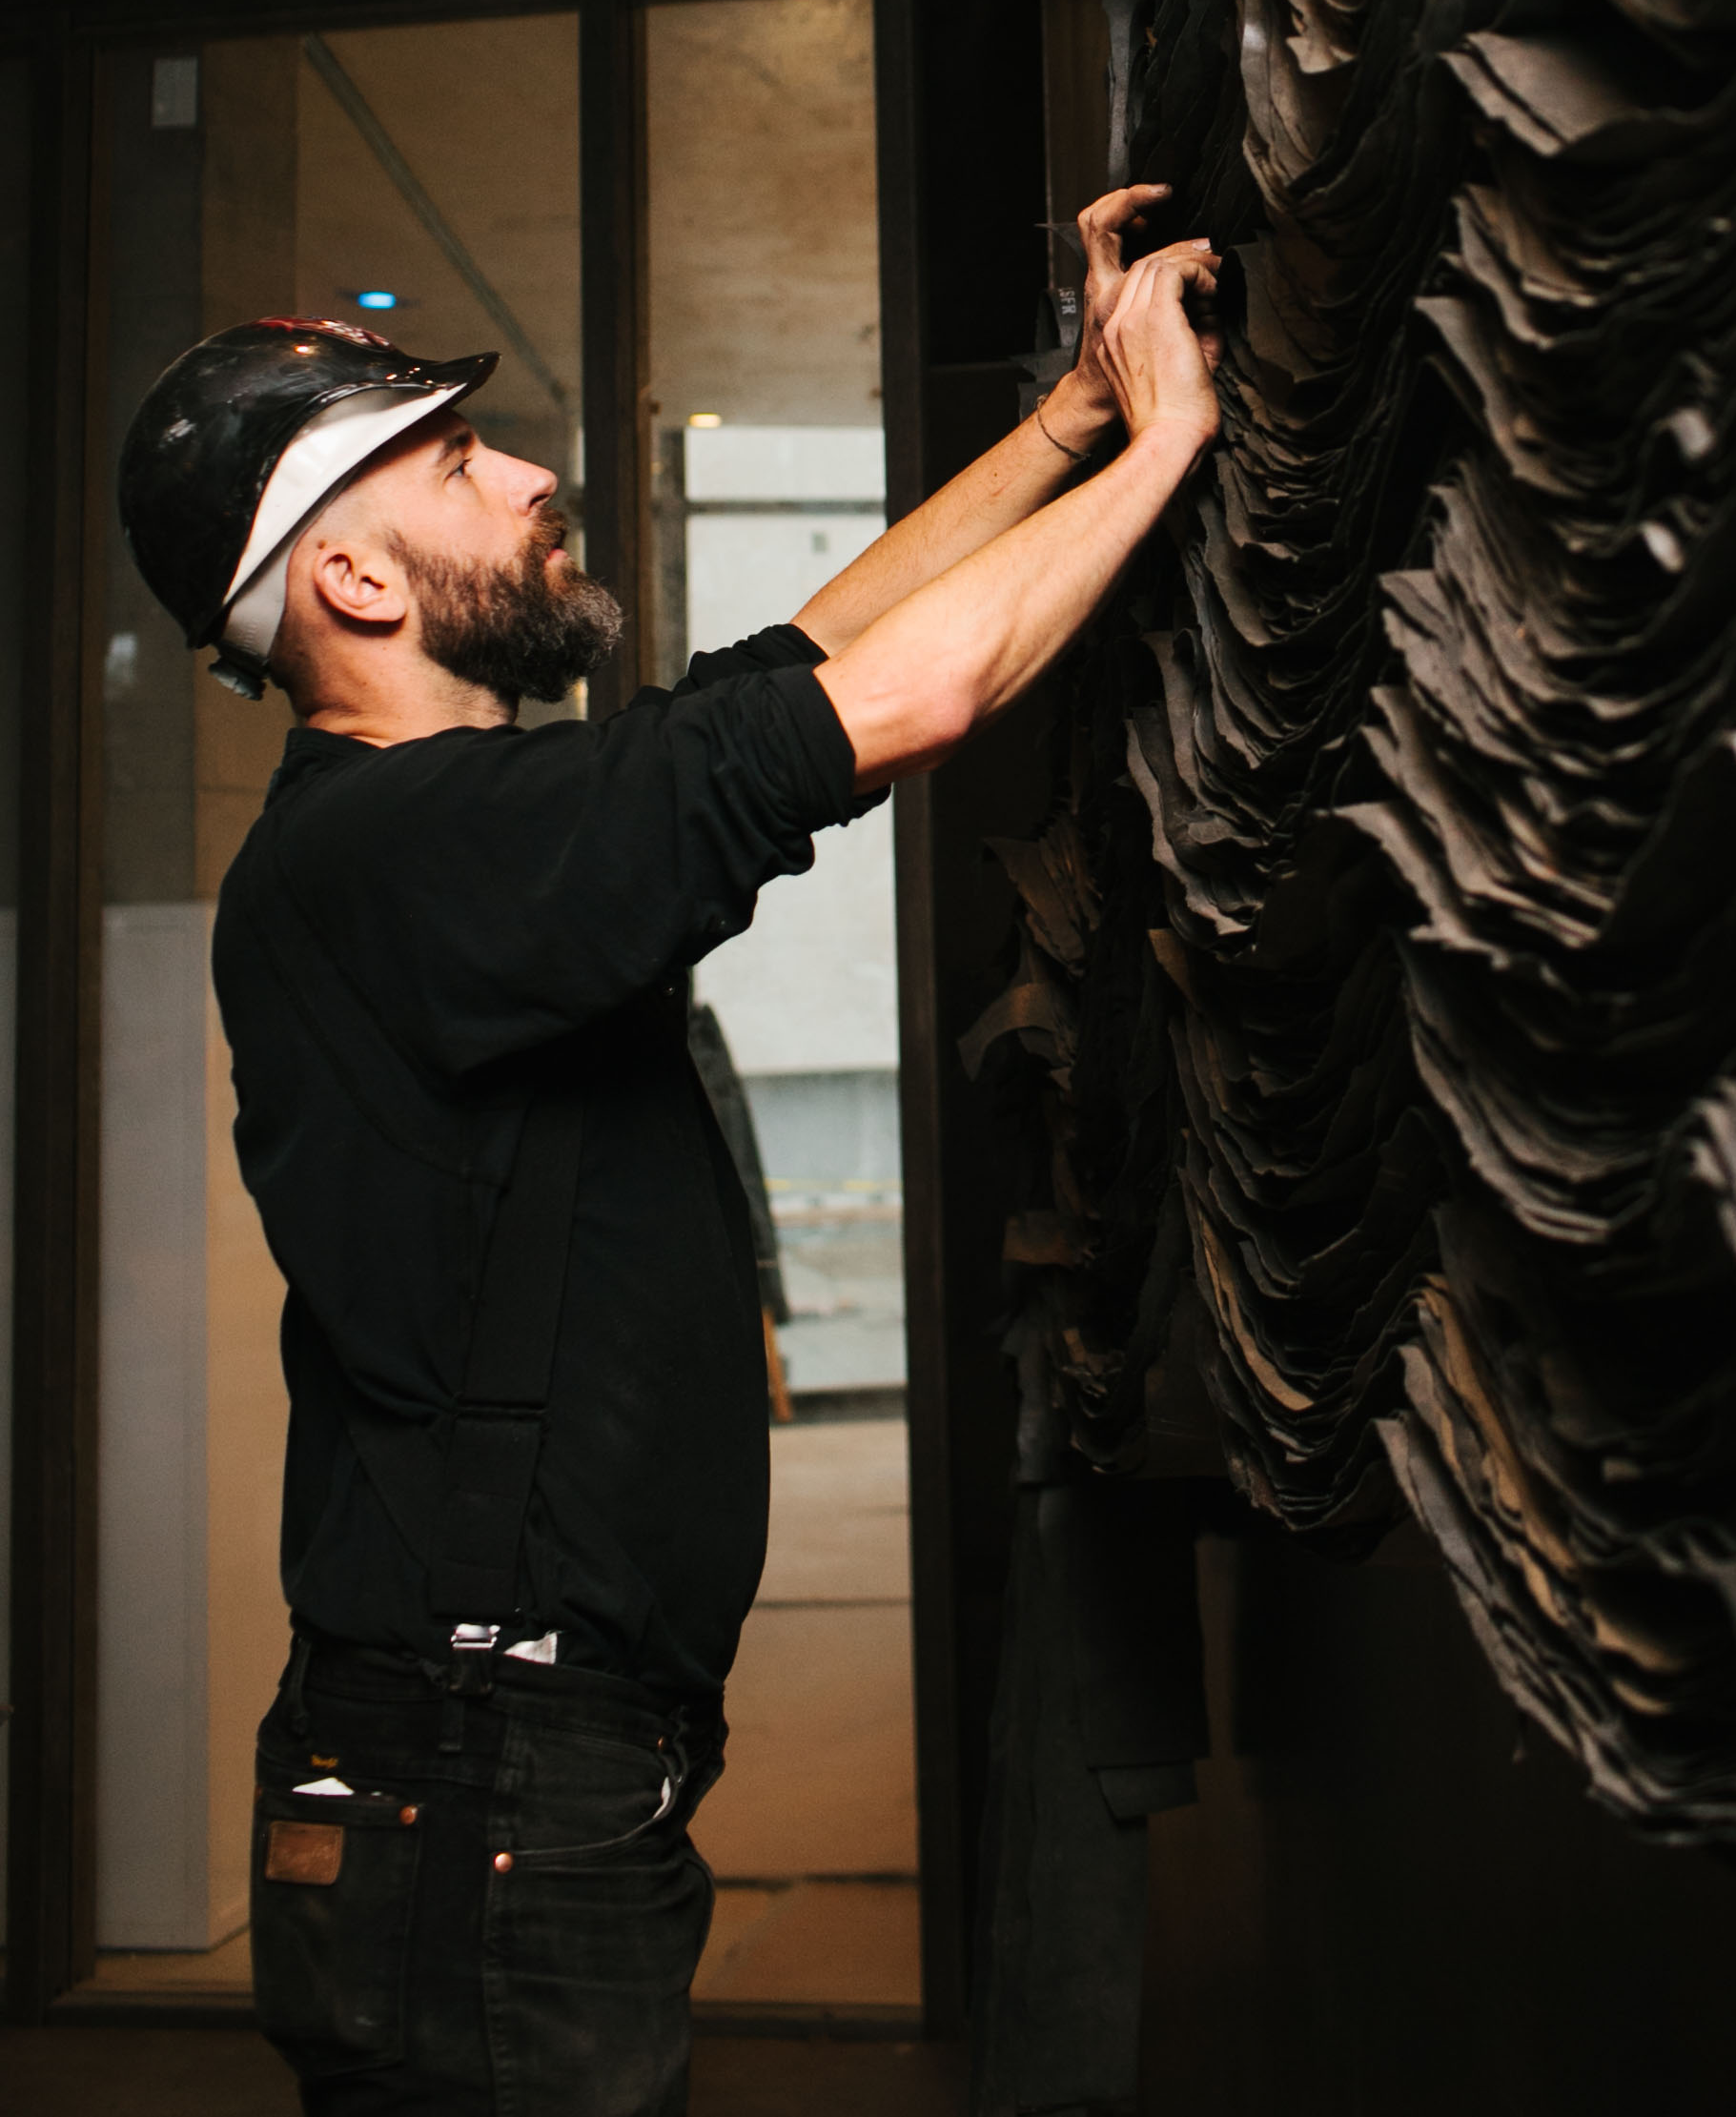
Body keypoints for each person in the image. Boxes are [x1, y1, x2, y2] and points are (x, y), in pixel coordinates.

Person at [114, 186, 1221, 2117]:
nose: (531, 476)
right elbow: (908, 697)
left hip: (506, 1758)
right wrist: (1180, 438)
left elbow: (799, 663)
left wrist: (1072, 423)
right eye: (461, 467)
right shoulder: (399, 853)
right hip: (477, 1773)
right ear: (356, 586)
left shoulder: (450, 824)